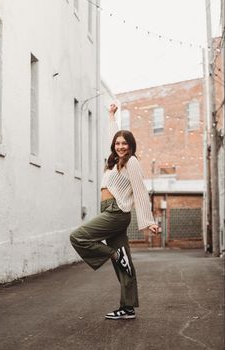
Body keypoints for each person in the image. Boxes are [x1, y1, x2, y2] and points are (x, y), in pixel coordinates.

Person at [70, 103, 159, 320]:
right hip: (110, 211)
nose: (120, 146)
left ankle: (113, 254)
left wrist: (149, 221)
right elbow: (113, 135)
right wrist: (111, 116)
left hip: (116, 213)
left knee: (78, 237)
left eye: (124, 144)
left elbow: (140, 191)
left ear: (131, 146)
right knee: (124, 262)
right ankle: (127, 308)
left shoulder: (132, 163)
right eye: (118, 143)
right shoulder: (114, 161)